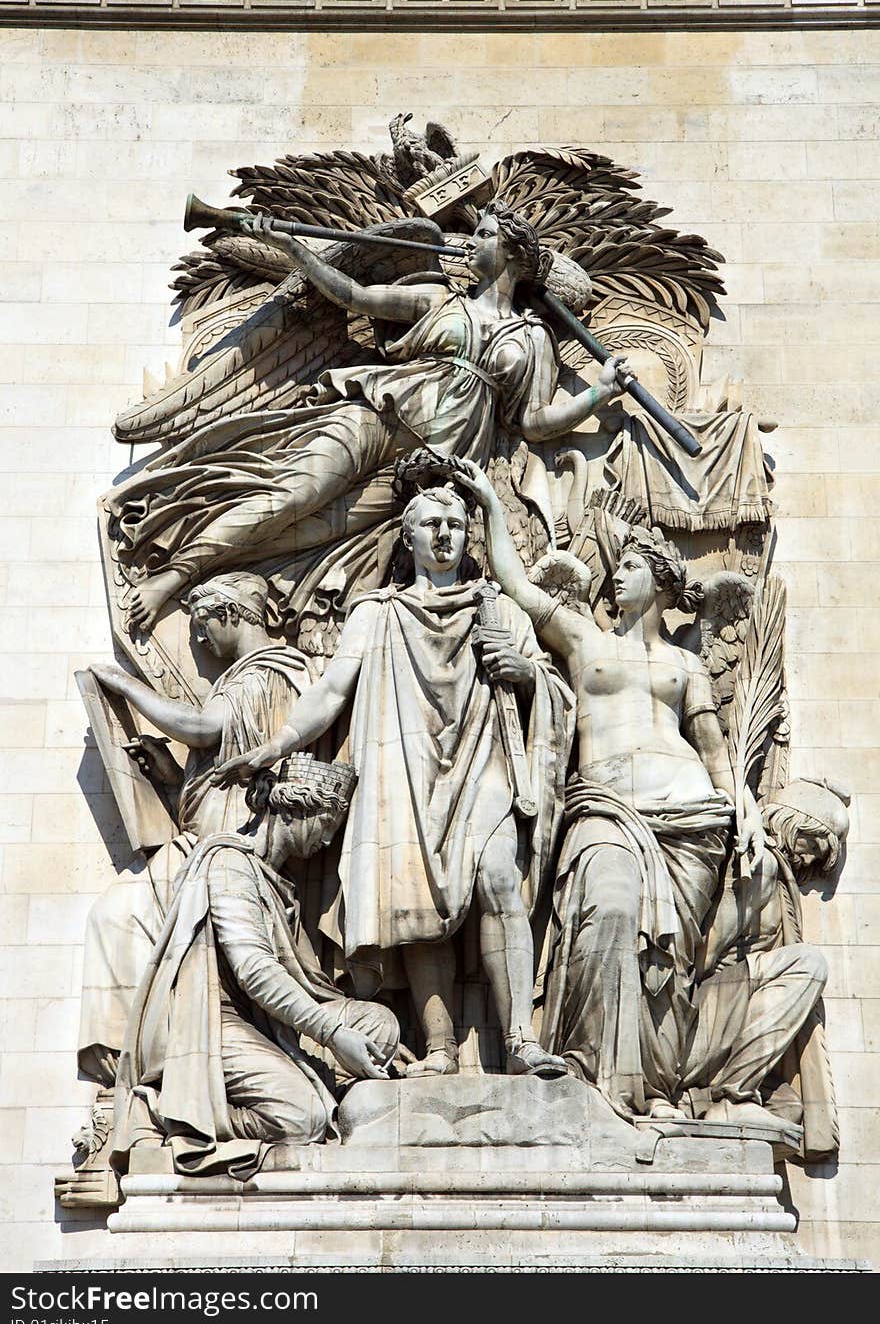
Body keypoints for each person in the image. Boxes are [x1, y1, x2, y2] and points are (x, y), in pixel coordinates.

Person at [107, 201, 630, 631]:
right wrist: (295, 250)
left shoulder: (534, 339)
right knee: (294, 494)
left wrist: (595, 396)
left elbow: (532, 421)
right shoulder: (440, 300)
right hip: (378, 416)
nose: (470, 243)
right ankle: (172, 578)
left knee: (311, 530)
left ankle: (220, 574)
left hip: (428, 469)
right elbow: (354, 295)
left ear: (514, 254)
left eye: (485, 236)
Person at [213, 484, 574, 1078]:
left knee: (499, 878)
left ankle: (520, 1040)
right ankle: (439, 1047)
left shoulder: (499, 609)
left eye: (455, 524)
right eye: (430, 524)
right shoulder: (377, 613)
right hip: (404, 764)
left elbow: (554, 688)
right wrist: (274, 745)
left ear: (469, 534)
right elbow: (331, 691)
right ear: (408, 538)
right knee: (414, 900)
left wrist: (527, 674)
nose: (444, 535)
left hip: (485, 760)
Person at [453, 457, 765, 1119]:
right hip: (605, 810)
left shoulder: (685, 664)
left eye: (629, 567)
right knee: (612, 908)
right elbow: (517, 584)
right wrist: (486, 501)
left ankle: (652, 1084)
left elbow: (715, 752)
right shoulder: (582, 639)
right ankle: (596, 1075)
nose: (614, 575)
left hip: (690, 820)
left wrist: (753, 818)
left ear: (656, 581)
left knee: (669, 963)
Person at [112, 761, 400, 1177]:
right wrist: (334, 1033)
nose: (327, 839)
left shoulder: (278, 882)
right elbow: (255, 971)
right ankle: (170, 1111)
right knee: (303, 1119)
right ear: (293, 810)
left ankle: (309, 1077)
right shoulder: (229, 864)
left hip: (266, 1023)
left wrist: (347, 1025)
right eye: (326, 823)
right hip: (216, 1022)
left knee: (379, 1024)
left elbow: (306, 983)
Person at [80, 572, 312, 1085]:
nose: (200, 641)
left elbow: (206, 730)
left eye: (203, 625)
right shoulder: (240, 678)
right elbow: (216, 773)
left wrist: (127, 686)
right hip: (204, 844)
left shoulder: (266, 673)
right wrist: (170, 779)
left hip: (228, 854)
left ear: (231, 614)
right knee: (114, 917)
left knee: (117, 916)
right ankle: (137, 1068)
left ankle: (139, 1069)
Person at [684, 778, 847, 1149]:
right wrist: (754, 968)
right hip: (700, 1014)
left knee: (788, 1107)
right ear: (794, 824)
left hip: (721, 1012)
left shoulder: (773, 871)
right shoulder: (762, 866)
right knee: (808, 964)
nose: (810, 861)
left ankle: (714, 1098)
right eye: (814, 846)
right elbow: (703, 954)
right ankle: (733, 1095)